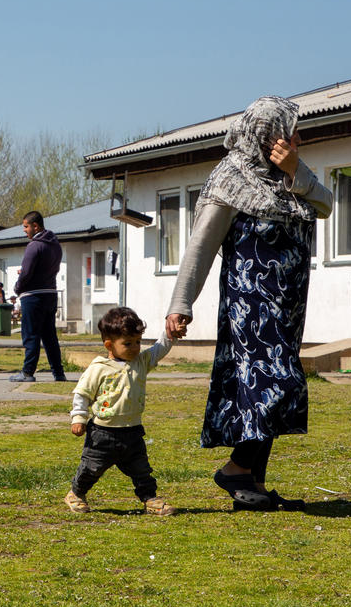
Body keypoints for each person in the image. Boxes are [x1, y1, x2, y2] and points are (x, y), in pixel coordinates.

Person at [166, 96, 332, 512]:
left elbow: (327, 204)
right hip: (251, 311)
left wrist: (295, 170)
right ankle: (237, 468)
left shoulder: (287, 177)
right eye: (291, 130)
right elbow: (199, 249)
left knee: (263, 394)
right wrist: (180, 304)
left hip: (287, 310)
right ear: (268, 134)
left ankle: (252, 485)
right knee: (276, 384)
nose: (298, 137)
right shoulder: (229, 180)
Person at [65, 307, 175, 515]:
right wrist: (78, 417)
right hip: (102, 432)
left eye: (137, 342)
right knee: (91, 468)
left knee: (142, 470)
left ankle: (150, 498)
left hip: (132, 431)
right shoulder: (99, 368)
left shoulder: (141, 362)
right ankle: (76, 493)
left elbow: (159, 349)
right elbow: (82, 394)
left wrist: (169, 334)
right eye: (127, 343)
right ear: (109, 344)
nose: (134, 348)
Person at [10, 211, 66, 383]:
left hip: (33, 296)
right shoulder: (55, 245)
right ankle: (58, 373)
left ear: (36, 226)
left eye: (26, 226)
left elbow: (26, 273)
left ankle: (27, 372)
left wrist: (18, 287)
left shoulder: (34, 246)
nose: (25, 230)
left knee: (31, 335)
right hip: (50, 294)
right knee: (50, 337)